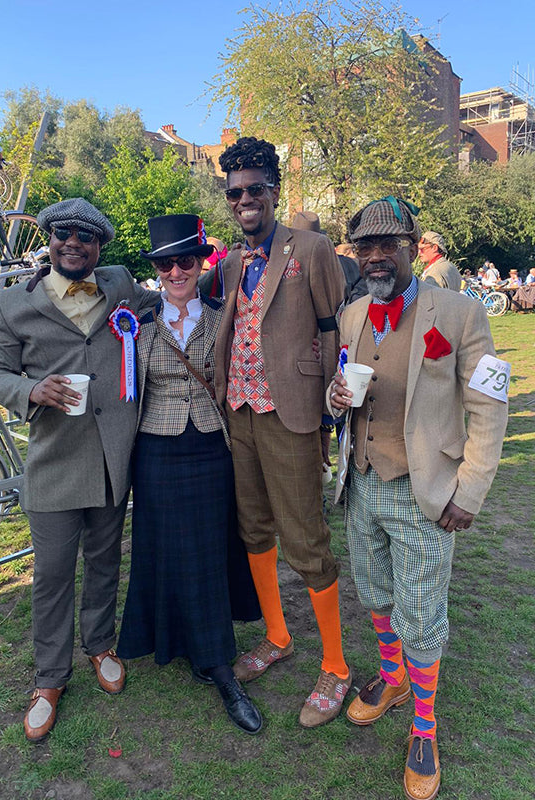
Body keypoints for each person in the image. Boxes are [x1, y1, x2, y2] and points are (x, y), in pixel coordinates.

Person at [328, 197, 508, 800]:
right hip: (363, 483)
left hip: (426, 490)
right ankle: (391, 676)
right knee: (374, 591)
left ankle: (424, 728)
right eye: (364, 246)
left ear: (410, 246)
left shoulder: (459, 313)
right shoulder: (353, 315)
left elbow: (490, 404)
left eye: (388, 244)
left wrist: (473, 488)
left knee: (423, 612)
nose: (375, 256)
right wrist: (336, 397)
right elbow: (350, 389)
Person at [0, 198, 159, 742]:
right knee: (53, 576)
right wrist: (29, 389)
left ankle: (99, 645)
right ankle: (49, 677)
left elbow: (170, 300)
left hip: (112, 456)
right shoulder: (11, 304)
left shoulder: (122, 283)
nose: (73, 243)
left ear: (99, 245)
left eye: (85, 235)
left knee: (105, 562)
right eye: (64, 234)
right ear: (49, 240)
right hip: (54, 461)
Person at [200, 136, 352, 729]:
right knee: (254, 527)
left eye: (255, 189)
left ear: (274, 190)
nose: (245, 199)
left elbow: (334, 327)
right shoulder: (233, 261)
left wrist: (331, 410)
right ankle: (279, 635)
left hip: (291, 414)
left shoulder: (310, 249)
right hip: (238, 413)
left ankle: (336, 666)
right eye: (235, 192)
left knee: (305, 540)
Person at [117, 214, 263, 735]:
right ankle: (179, 640)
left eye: (186, 261)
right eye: (165, 264)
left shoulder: (225, 316)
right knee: (165, 548)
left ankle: (221, 667)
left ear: (201, 263)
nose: (177, 271)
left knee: (208, 550)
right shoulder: (135, 322)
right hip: (155, 451)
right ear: (155, 270)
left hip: (209, 448)